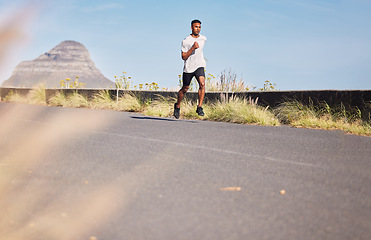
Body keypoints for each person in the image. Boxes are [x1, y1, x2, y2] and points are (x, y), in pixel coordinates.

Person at [174, 19, 207, 119]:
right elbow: (183, 57)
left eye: (199, 27)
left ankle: (199, 106)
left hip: (199, 65)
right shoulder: (186, 41)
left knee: (202, 83)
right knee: (185, 89)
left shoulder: (203, 38)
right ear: (192, 28)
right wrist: (192, 48)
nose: (198, 29)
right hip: (188, 68)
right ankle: (177, 105)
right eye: (196, 27)